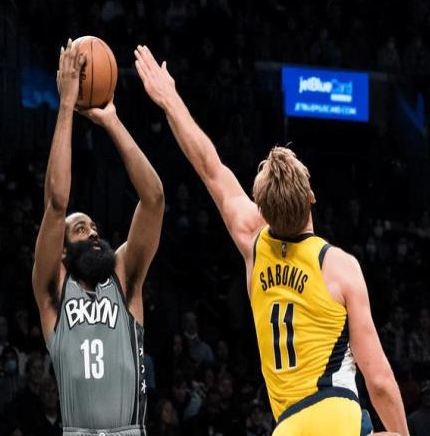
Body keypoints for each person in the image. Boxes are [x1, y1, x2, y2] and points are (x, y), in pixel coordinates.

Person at [134, 44, 408, 435]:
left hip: (287, 426)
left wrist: (170, 99)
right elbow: (378, 380)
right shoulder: (341, 267)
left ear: (262, 209)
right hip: (336, 415)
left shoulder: (251, 238)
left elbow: (208, 165)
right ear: (311, 196)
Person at [32, 39, 164, 435]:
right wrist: (66, 107)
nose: (92, 233)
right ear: (61, 253)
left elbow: (154, 198)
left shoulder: (124, 276)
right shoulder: (54, 289)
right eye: (80, 229)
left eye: (94, 228)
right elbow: (57, 202)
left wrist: (112, 122)